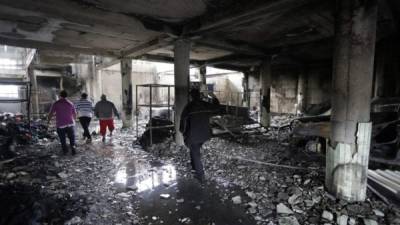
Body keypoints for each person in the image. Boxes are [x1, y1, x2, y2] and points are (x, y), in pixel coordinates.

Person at [179, 88, 220, 183]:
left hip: (193, 136)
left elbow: (183, 122)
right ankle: (194, 167)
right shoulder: (205, 104)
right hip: (205, 135)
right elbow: (217, 107)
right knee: (194, 150)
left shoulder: (189, 107)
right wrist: (214, 97)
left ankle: (200, 176)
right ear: (199, 95)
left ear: (191, 96)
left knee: (195, 153)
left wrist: (183, 132)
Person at [48, 90, 77, 155]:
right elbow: (75, 113)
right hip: (70, 123)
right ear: (67, 96)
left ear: (60, 95)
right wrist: (74, 120)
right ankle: (73, 147)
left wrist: (48, 121)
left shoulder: (56, 103)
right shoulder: (70, 103)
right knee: (72, 137)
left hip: (61, 124)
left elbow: (51, 113)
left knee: (62, 138)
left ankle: (65, 151)